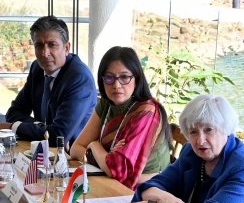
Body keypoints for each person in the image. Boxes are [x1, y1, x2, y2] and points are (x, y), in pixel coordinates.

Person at [102, 93, 244, 203]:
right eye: (193, 132)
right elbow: (150, 187)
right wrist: (165, 197)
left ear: (226, 129)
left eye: (209, 130)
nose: (200, 140)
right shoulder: (191, 152)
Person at [69, 46, 171, 189]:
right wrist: (107, 158)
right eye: (109, 77)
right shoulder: (106, 103)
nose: (116, 85)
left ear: (136, 78)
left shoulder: (146, 112)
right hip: (112, 182)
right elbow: (75, 149)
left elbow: (116, 171)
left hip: (148, 188)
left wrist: (94, 145)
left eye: (124, 77)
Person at [0, 16, 96, 147]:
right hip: (43, 150)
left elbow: (58, 136)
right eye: (39, 45)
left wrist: (14, 127)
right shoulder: (37, 68)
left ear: (66, 48)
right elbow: (14, 112)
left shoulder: (79, 78)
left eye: (52, 45)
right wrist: (43, 127)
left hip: (72, 158)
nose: (44, 53)